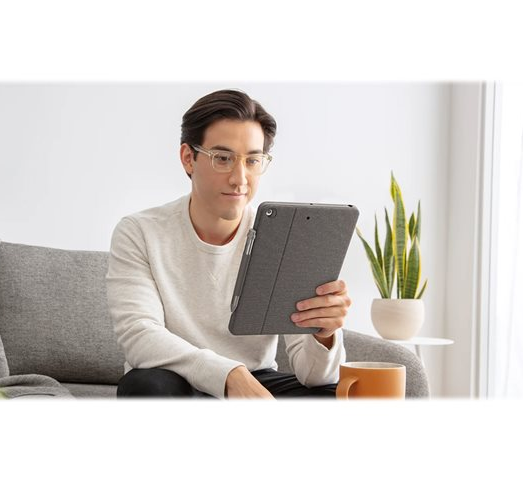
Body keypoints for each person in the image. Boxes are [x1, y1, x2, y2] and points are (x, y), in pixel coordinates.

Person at [105, 89, 352, 399]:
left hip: (256, 381)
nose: (240, 179)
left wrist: (325, 334)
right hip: (177, 380)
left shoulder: (284, 238)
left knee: (339, 396)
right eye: (222, 159)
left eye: (253, 160)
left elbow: (315, 377)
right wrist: (229, 375)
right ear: (188, 158)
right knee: (147, 387)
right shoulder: (140, 232)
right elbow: (139, 336)